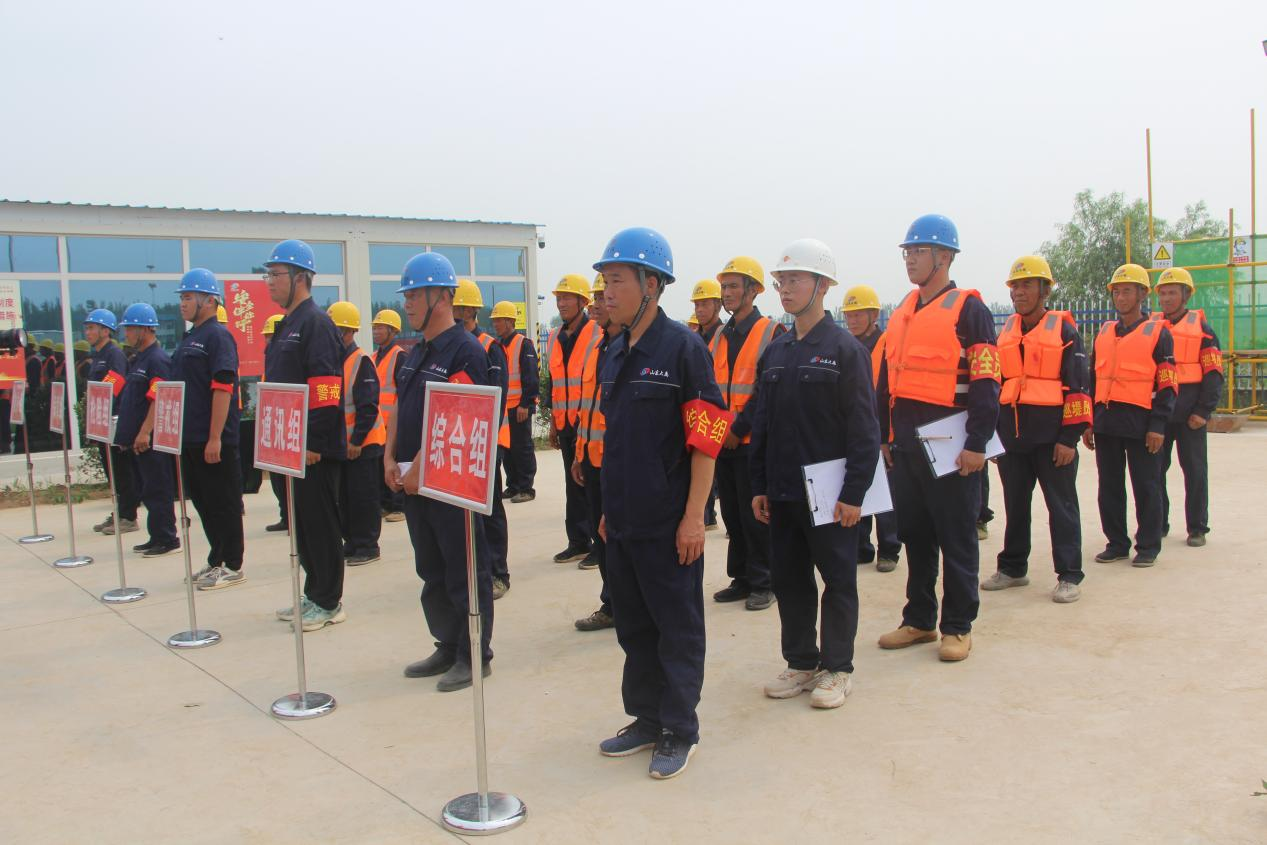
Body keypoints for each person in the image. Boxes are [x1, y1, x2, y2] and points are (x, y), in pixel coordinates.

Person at [592, 227, 728, 781]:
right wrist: (608, 509)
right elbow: (619, 440)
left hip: (669, 523)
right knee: (634, 627)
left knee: (677, 628)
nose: (607, 292)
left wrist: (695, 517)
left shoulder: (683, 350)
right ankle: (647, 718)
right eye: (605, 281)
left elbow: (706, 439)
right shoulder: (615, 349)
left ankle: (679, 728)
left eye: (616, 281)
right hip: (623, 520)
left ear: (651, 285)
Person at [749, 239, 880, 711]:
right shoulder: (776, 351)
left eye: (795, 280)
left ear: (822, 286)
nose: (784, 289)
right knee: (790, 580)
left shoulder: (845, 351)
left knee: (838, 579)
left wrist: (854, 493)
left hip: (830, 494)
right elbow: (762, 422)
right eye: (780, 281)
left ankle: (838, 667)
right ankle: (802, 662)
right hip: (784, 492)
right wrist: (759, 486)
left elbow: (864, 428)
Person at [875, 214, 1000, 663]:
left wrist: (978, 443)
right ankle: (920, 619)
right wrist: (885, 436)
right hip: (906, 444)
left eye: (919, 251)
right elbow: (887, 380)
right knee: (916, 535)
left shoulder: (970, 310)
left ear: (944, 256)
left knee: (957, 536)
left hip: (952, 445)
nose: (910, 259)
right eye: (907, 252)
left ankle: (958, 626)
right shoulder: (903, 311)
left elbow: (987, 380)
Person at [386, 252, 495, 693]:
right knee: (431, 568)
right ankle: (447, 644)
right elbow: (400, 406)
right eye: (407, 295)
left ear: (443, 297)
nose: (408, 303)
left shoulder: (465, 351)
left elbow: (458, 420)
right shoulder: (416, 353)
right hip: (414, 481)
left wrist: (422, 469)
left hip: (450, 483)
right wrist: (389, 456)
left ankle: (474, 653)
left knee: (463, 569)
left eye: (415, 294)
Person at [981, 256, 1088, 603]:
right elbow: (995, 386)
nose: (1019, 292)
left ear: (1045, 290)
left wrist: (1069, 439)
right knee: (1015, 506)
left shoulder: (1065, 332)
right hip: (1014, 439)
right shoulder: (1006, 332)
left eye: (1027, 285)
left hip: (1053, 440)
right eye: (1015, 286)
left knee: (1062, 507)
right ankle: (1013, 568)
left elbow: (1078, 388)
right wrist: (995, 438)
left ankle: (1069, 575)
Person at [264, 240, 348, 631]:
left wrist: (313, 441)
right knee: (301, 525)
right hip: (289, 447)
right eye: (268, 275)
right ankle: (313, 592)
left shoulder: (316, 323)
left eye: (275, 274)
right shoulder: (287, 324)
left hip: (313, 450)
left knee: (320, 525)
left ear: (300, 277)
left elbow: (327, 385)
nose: (270, 281)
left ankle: (329, 601)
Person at [1083, 264, 1177, 566]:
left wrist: (1158, 425)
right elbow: (1092, 379)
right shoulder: (1104, 332)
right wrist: (1088, 421)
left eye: (1127, 291)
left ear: (1142, 295)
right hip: (1106, 422)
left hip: (1142, 424)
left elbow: (1167, 384)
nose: (1121, 297)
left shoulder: (1158, 334)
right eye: (1116, 292)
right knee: (1109, 487)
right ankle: (1116, 543)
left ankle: (1148, 546)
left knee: (1147, 486)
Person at [708, 256, 781, 609]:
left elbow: (767, 389)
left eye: (734, 286)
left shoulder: (771, 332)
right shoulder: (720, 335)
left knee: (756, 516)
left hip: (754, 442)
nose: (727, 293)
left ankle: (765, 581)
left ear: (753, 291)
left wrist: (739, 427)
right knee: (733, 515)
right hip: (724, 441)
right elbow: (710, 386)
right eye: (724, 287)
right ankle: (741, 577)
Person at [168, 268, 245, 590]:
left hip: (213, 440)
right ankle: (217, 558)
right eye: (182, 298)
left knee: (223, 503)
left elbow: (223, 388)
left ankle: (232, 564)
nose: (183, 304)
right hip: (190, 438)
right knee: (204, 503)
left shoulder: (217, 337)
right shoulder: (190, 338)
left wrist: (215, 437)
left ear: (209, 300)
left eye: (188, 297)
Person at [1152, 267, 1223, 547]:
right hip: (1160, 413)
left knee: (1194, 471)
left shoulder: (1203, 330)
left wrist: (1203, 411)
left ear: (1186, 295)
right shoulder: (1152, 327)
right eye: (1163, 293)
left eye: (1172, 293)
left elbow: (1214, 374)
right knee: (1154, 471)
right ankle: (1158, 523)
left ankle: (1197, 528)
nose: (1166, 299)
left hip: (1189, 413)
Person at [453, 279, 512, 600]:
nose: (455, 313)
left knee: (489, 509)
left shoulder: (490, 347)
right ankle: (473, 570)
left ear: (470, 310)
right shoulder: (450, 346)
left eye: (459, 308)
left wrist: (485, 440)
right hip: (457, 443)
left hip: (485, 442)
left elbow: (497, 398)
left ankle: (498, 573)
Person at [840, 284, 901, 572]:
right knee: (857, 487)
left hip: (881, 428)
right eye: (849, 315)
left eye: (858, 314)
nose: (852, 320)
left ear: (874, 315)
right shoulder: (845, 346)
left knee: (885, 494)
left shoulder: (888, 344)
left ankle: (889, 549)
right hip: (854, 429)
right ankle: (861, 548)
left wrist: (887, 435)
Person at [543, 274, 601, 566]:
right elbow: (555, 383)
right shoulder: (555, 337)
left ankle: (599, 546)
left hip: (588, 424)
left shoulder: (596, 333)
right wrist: (554, 423)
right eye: (559, 298)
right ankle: (578, 542)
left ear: (582, 301)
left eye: (567, 298)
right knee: (572, 484)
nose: (561, 303)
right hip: (566, 423)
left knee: (592, 486)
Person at [115, 303, 179, 557]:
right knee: (148, 489)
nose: (127, 333)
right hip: (138, 441)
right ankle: (156, 536)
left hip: (150, 440)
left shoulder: (157, 360)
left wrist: (145, 431)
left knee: (158, 488)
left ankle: (167, 538)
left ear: (145, 329)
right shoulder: (139, 359)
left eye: (130, 328)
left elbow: (158, 397)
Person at [328, 301, 386, 566]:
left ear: (349, 332)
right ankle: (351, 541)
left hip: (363, 443)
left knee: (364, 497)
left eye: (337, 331)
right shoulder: (333, 362)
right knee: (345, 498)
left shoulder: (361, 361)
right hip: (343, 444)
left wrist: (356, 440)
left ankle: (367, 545)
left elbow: (368, 407)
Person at [573, 272, 615, 631]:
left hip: (616, 463)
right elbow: (586, 406)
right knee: (601, 540)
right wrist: (579, 452)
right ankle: (612, 603)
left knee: (617, 538)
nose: (596, 305)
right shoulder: (596, 347)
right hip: (592, 458)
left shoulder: (626, 348)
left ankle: (621, 604)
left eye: (602, 297)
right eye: (595, 298)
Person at [84, 309, 139, 536]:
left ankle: (128, 516)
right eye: (87, 328)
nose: (87, 332)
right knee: (112, 471)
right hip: (102, 422)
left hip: (114, 421)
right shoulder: (98, 355)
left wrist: (101, 406)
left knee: (121, 470)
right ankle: (120, 512)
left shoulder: (113, 354)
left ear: (105, 331)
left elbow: (114, 384)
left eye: (92, 328)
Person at [491, 300, 540, 504]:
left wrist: (525, 404)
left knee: (522, 448)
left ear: (510, 321)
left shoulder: (523, 344)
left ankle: (526, 488)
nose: (495, 324)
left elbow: (531, 376)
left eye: (499, 320)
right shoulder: (498, 345)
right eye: (494, 321)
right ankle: (513, 485)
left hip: (519, 407)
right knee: (508, 449)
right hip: (504, 409)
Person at [372, 309, 407, 523]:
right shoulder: (373, 357)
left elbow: (402, 393)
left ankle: (399, 506)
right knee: (380, 466)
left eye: (380, 327)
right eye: (374, 328)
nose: (376, 331)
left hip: (392, 423)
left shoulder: (399, 356)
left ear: (393, 331)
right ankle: (385, 503)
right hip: (378, 424)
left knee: (396, 463)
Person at [260, 313, 291, 532]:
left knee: (289, 480)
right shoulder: (270, 359)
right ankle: (285, 515)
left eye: (271, 335)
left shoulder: (285, 360)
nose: (268, 340)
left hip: (287, 427)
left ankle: (292, 517)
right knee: (278, 479)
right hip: (274, 427)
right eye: (267, 336)